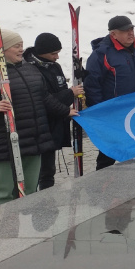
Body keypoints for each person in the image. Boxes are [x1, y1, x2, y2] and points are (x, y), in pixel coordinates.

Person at [0, 28, 75, 207]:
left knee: (29, 191)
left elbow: (44, 97)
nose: (21, 49)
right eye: (16, 46)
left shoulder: (31, 70)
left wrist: (64, 111)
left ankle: (24, 232)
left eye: (21, 45)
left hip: (33, 140)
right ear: (1, 49)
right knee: (3, 192)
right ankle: (2, 229)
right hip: (3, 143)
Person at [85, 15, 135, 169]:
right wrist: (100, 112)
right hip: (114, 115)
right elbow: (92, 86)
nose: (130, 33)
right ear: (113, 34)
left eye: (131, 29)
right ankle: (102, 187)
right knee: (109, 153)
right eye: (125, 31)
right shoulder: (101, 54)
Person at [24, 33, 83, 189]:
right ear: (41, 52)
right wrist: (70, 93)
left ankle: (47, 201)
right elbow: (43, 99)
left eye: (58, 52)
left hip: (55, 124)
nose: (57, 57)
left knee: (49, 170)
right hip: (39, 127)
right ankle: (36, 202)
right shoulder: (30, 69)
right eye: (53, 53)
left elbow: (60, 92)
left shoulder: (55, 67)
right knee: (39, 171)